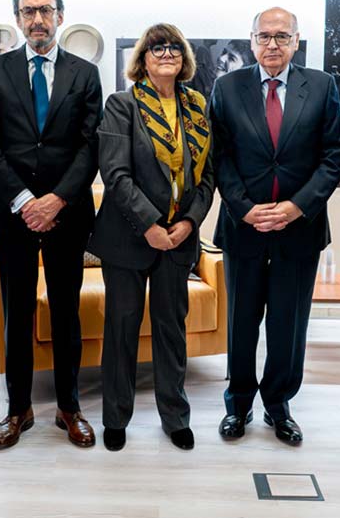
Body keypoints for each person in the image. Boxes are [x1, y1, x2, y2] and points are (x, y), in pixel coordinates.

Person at [0, 0, 103, 449]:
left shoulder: (85, 73)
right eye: (28, 12)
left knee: (67, 311)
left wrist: (57, 199)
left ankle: (69, 407)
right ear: (18, 19)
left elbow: (91, 145)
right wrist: (26, 200)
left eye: (45, 10)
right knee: (18, 310)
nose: (37, 20)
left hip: (68, 214)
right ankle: (18, 408)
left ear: (60, 16)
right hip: (14, 214)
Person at [211, 7, 340, 445]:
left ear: (295, 41)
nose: (272, 44)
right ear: (252, 40)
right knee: (242, 322)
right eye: (264, 36)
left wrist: (295, 207)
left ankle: (278, 404)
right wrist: (244, 207)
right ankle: (239, 404)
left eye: (281, 37)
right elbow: (220, 157)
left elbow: (333, 157)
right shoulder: (227, 87)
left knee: (289, 324)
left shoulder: (322, 86)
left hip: (299, 229)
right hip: (243, 226)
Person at [88, 24, 215, 452]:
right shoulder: (122, 105)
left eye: (174, 47)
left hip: (179, 238)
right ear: (142, 59)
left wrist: (189, 223)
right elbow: (115, 173)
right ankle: (115, 418)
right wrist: (150, 226)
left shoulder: (196, 107)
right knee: (121, 329)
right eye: (157, 47)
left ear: (184, 58)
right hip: (128, 238)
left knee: (170, 331)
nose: (166, 53)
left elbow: (208, 177)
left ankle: (175, 416)